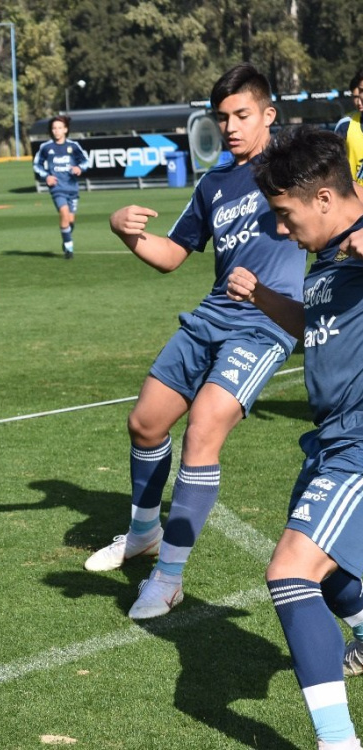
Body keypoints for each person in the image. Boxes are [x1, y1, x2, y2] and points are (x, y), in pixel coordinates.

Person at [84, 63, 307, 619]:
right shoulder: (214, 184)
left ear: (268, 114)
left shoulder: (296, 167)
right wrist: (126, 233)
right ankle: (144, 534)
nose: (230, 127)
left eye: (242, 115)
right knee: (145, 422)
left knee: (203, 430)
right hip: (210, 316)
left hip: (266, 322)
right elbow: (171, 256)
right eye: (222, 118)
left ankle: (168, 578)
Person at [225, 125, 363, 750]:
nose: (281, 230)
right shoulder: (330, 255)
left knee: (290, 572)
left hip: (360, 443)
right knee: (334, 578)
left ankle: (338, 743)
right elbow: (317, 329)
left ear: (326, 198)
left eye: (286, 215)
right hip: (330, 439)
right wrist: (263, 298)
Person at [32, 115, 88, 259]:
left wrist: (79, 168)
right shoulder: (46, 147)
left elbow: (86, 161)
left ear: (65, 130)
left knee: (70, 221)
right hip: (57, 188)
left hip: (72, 188)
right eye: (54, 128)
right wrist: (47, 176)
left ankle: (66, 236)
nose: (56, 131)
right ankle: (69, 247)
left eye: (59, 128)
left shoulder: (73, 146)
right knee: (63, 213)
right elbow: (37, 165)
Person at [334, 68, 363, 186]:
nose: (359, 101)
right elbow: (334, 163)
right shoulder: (345, 125)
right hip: (354, 194)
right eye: (355, 96)